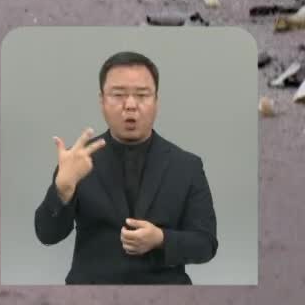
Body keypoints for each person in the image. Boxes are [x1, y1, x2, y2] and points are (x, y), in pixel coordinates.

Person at [34, 51, 219, 284]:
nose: (130, 105)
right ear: (101, 101)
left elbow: (206, 244)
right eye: (118, 94)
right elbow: (47, 235)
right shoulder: (77, 161)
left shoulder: (187, 166)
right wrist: (62, 190)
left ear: (157, 101)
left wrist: (161, 239)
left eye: (142, 95)